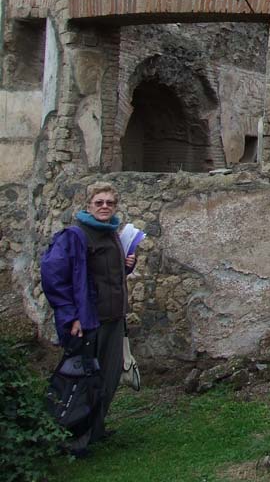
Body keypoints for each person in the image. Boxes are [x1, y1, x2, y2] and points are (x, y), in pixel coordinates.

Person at [40, 182, 137, 457]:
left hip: (113, 318)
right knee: (82, 382)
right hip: (88, 322)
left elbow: (103, 276)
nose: (105, 206)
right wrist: (71, 316)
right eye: (99, 202)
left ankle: (95, 428)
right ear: (88, 206)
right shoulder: (75, 235)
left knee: (107, 378)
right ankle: (73, 440)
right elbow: (53, 275)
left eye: (109, 202)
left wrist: (127, 267)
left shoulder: (112, 234)